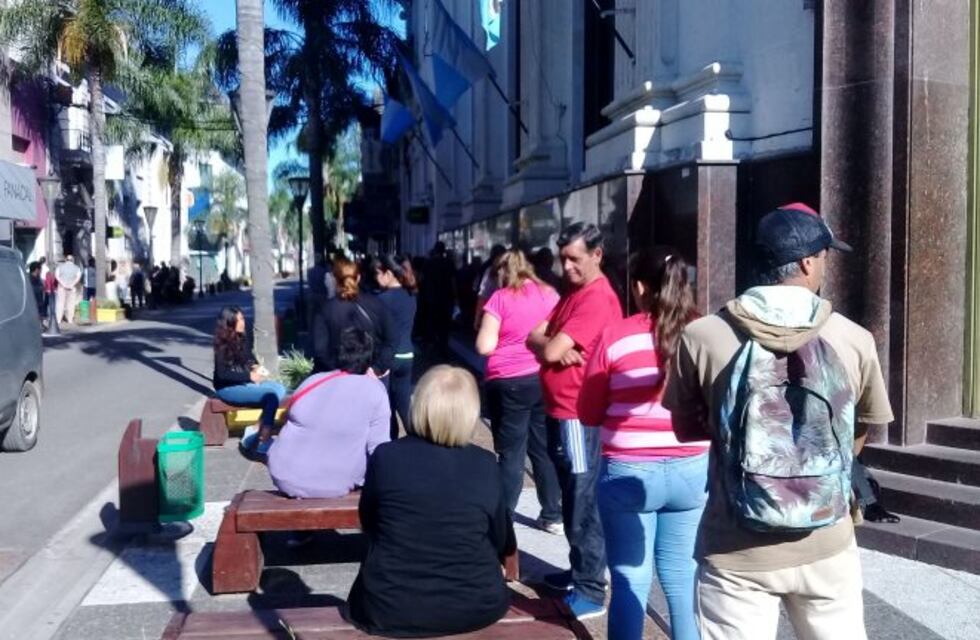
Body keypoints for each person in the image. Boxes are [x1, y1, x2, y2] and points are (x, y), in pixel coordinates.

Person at [663, 203, 894, 640]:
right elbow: (858, 432)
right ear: (807, 262)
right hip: (827, 540)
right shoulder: (854, 338)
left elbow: (685, 428)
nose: (824, 265)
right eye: (824, 255)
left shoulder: (702, 335)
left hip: (735, 547)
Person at [577, 247, 708, 640]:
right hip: (692, 470)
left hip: (628, 473)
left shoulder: (615, 336)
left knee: (630, 579)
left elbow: (588, 412)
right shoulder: (703, 333)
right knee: (682, 576)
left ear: (638, 287)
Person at [346, 365, 515, 637]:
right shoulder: (485, 463)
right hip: (476, 605)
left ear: (420, 405)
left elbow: (369, 521)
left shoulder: (386, 457)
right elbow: (503, 539)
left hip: (390, 607)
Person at [527, 222, 623, 620]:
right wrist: (550, 344)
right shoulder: (574, 293)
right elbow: (535, 336)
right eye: (562, 258)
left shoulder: (596, 298)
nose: (566, 266)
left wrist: (552, 346)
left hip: (577, 414)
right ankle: (579, 570)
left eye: (574, 259)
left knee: (583, 498)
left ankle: (590, 588)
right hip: (561, 410)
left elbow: (550, 350)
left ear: (597, 255)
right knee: (571, 494)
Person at [476, 249, 563, 534]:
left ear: (501, 273)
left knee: (511, 453)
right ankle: (552, 514)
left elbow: (484, 346)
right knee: (543, 449)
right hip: (542, 376)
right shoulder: (549, 294)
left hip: (507, 381)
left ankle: (505, 516)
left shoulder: (500, 299)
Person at [269, 328, 390, 498]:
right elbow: (379, 448)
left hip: (284, 474)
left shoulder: (312, 381)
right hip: (336, 482)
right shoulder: (376, 391)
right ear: (370, 358)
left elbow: (289, 417)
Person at [212, 306, 287, 458]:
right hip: (227, 388)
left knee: (280, 388)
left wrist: (255, 365)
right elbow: (222, 374)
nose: (243, 322)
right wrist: (249, 377)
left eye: (243, 318)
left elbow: (248, 358)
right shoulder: (222, 344)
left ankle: (253, 429)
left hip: (243, 384)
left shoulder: (242, 337)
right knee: (271, 397)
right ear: (230, 322)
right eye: (239, 319)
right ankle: (263, 440)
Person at [312, 258, 394, 379]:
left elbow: (320, 350)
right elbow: (392, 340)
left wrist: (337, 371)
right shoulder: (377, 304)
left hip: (337, 379)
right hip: (371, 377)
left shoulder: (324, 310)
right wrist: (377, 368)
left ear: (335, 279)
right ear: (359, 278)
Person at [374, 254, 418, 439]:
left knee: (387, 405)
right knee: (404, 402)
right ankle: (417, 438)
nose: (376, 278)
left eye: (378, 273)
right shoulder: (411, 295)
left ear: (389, 273)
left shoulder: (382, 299)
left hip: (388, 357)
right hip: (407, 354)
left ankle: (391, 442)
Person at [473, 244, 507, 330]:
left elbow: (481, 294)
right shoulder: (513, 270)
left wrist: (477, 317)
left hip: (492, 311)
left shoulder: (486, 268)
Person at [55, 254, 82, 324]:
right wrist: (72, 284)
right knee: (71, 304)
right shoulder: (77, 268)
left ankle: (58, 319)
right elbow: (78, 278)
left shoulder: (60, 267)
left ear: (66, 260)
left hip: (61, 287)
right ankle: (69, 319)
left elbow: (57, 276)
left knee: (60, 303)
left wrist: (63, 284)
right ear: (73, 260)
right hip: (72, 288)